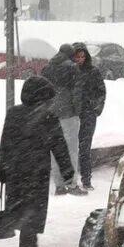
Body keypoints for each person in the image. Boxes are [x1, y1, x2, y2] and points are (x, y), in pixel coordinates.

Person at [0, 76, 83, 247]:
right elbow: (59, 145)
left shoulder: (13, 113)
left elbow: (5, 142)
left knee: (22, 208)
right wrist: (67, 170)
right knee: (33, 210)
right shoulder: (48, 117)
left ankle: (30, 245)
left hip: (15, 171)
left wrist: (2, 167)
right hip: (37, 172)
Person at [41, 44, 81, 194]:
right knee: (71, 150)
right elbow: (76, 93)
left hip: (51, 115)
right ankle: (71, 184)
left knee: (55, 151)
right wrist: (78, 111)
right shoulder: (72, 68)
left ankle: (58, 185)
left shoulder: (47, 68)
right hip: (68, 114)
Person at [71, 43, 106, 190]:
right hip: (72, 114)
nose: (80, 59)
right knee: (71, 147)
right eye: (77, 57)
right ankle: (71, 178)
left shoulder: (93, 72)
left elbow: (101, 92)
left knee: (84, 148)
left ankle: (86, 179)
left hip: (87, 114)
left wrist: (95, 108)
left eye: (82, 57)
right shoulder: (69, 71)